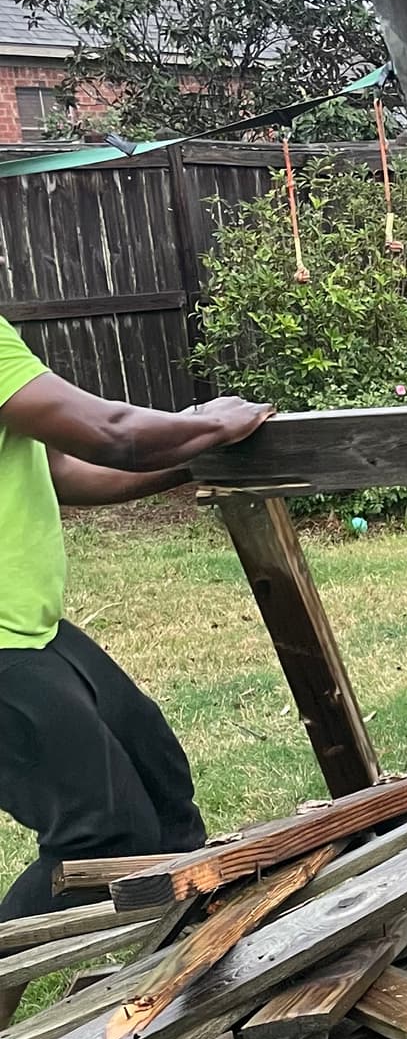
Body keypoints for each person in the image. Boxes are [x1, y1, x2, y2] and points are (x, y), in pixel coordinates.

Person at [0, 315, 273, 918]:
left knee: (161, 790)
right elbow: (110, 432)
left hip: (26, 626)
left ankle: (191, 974)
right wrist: (211, 421)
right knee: (97, 836)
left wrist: (194, 456)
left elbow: (62, 472)